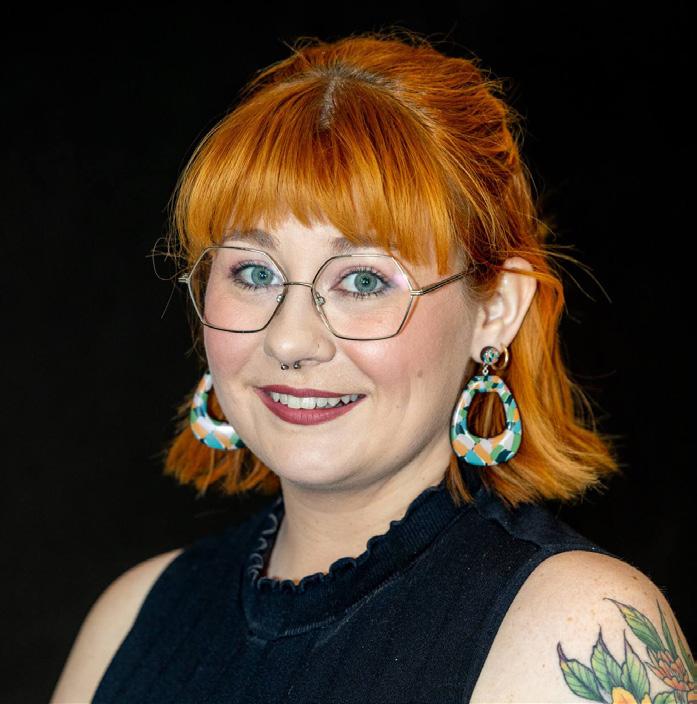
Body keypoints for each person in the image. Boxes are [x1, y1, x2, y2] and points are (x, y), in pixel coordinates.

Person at [51, 30, 694, 704]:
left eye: (363, 281)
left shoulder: (576, 630)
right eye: (254, 272)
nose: (290, 340)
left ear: (495, 310)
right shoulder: (133, 615)